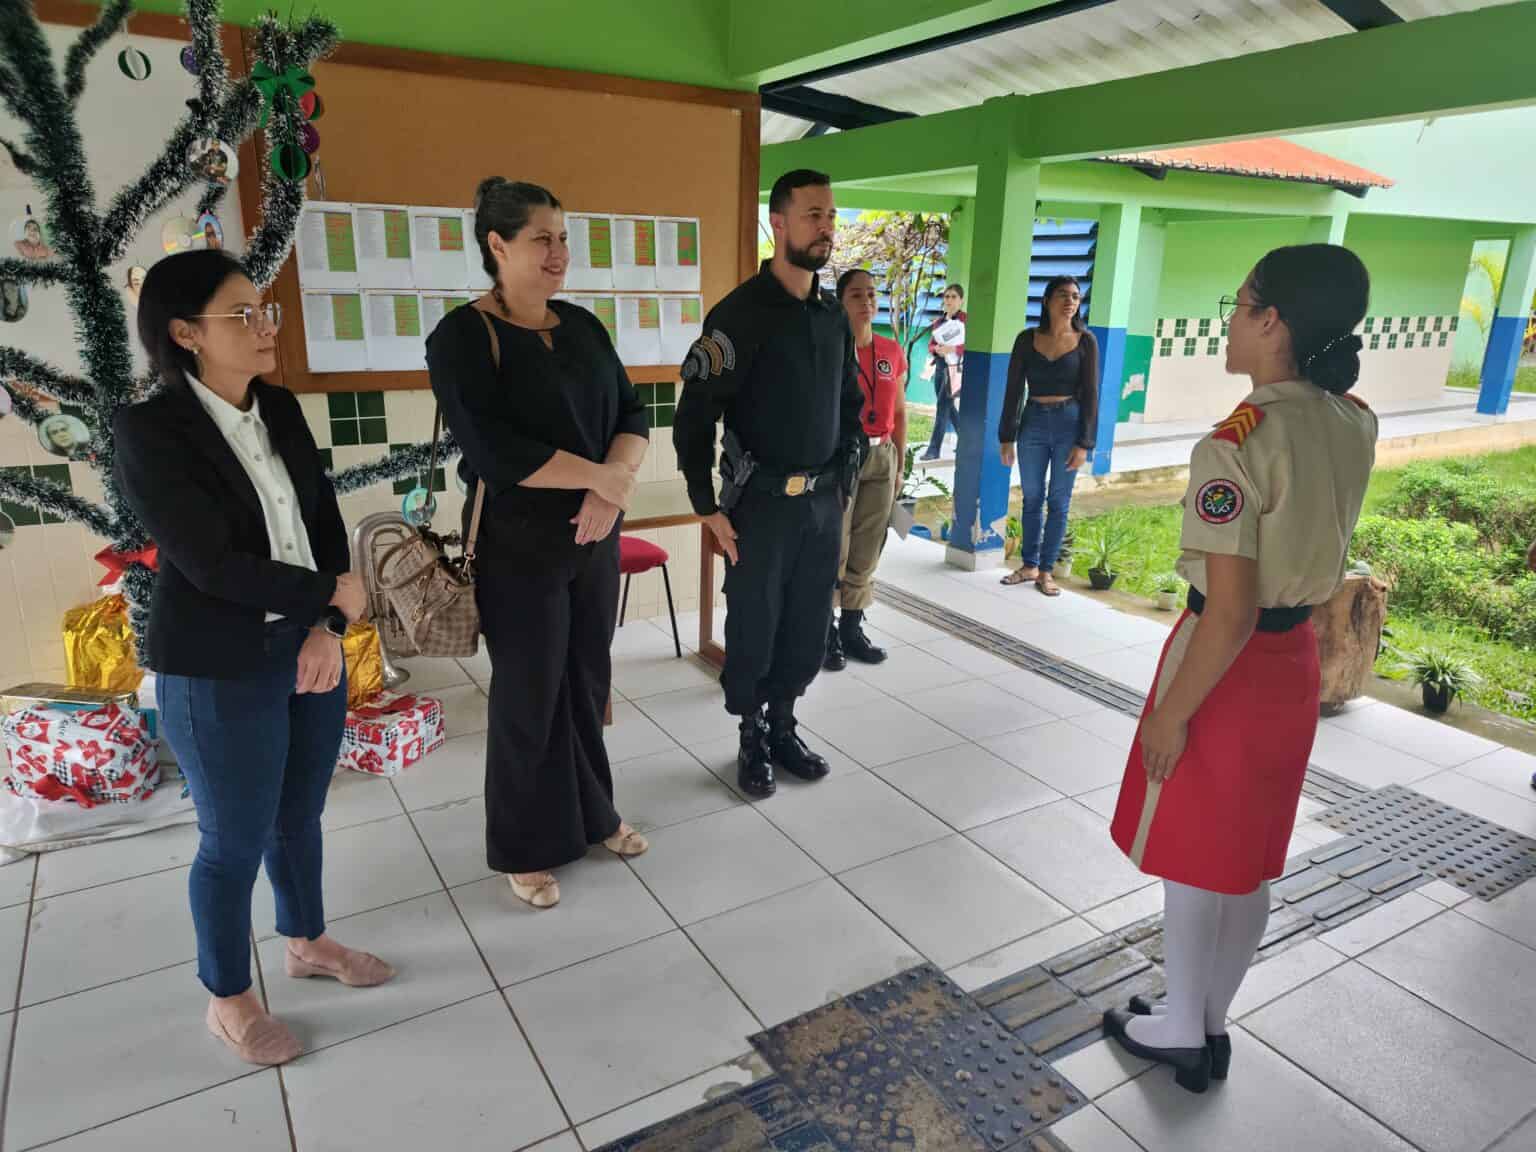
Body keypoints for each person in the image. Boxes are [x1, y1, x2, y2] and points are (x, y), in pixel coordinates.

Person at [1102, 244, 1378, 1093]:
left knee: (1193, 852)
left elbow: (1228, 613)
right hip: (1294, 664)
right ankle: (1210, 1016)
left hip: (1226, 667)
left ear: (1272, 321)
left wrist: (1172, 712)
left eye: (1240, 303)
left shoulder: (1235, 444)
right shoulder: (1353, 420)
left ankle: (1181, 1029)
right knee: (1249, 852)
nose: (1229, 320)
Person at [113, 249, 391, 1068]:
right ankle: (228, 996)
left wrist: (327, 626)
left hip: (306, 644)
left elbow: (323, 526)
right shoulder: (151, 430)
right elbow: (209, 564)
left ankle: (306, 941)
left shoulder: (281, 408)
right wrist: (327, 596)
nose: (267, 325)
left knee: (298, 816)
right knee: (233, 838)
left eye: (264, 309)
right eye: (243, 314)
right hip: (217, 663)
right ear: (185, 333)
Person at [427, 178, 649, 910]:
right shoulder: (462, 336)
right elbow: (493, 449)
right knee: (530, 695)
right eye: (541, 239)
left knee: (586, 682)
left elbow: (633, 413)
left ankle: (596, 815)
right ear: (497, 244)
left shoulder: (581, 325)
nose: (558, 253)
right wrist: (601, 479)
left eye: (563, 238)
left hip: (595, 535)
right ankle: (525, 846)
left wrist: (608, 489)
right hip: (518, 546)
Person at [673, 168, 866, 799]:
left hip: (821, 505)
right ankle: (751, 735)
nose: (826, 227)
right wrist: (706, 506)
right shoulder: (739, 315)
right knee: (755, 627)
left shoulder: (832, 316)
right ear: (778, 223)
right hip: (759, 506)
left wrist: (845, 474)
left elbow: (848, 402)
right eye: (813, 215)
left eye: (831, 216)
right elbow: (694, 417)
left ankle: (784, 724)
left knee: (808, 625)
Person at [825, 268, 906, 671]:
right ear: (840, 302)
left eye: (872, 293)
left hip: (882, 455)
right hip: (842, 456)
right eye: (856, 294)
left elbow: (900, 412)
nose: (867, 301)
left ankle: (851, 628)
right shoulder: (831, 349)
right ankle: (824, 631)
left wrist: (900, 463)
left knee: (868, 546)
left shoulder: (891, 350)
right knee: (834, 545)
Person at [998, 276, 1099, 597]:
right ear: (1046, 301)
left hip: (1070, 423)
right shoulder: (1026, 340)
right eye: (1062, 295)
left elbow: (1092, 394)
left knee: (1058, 500)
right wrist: (1006, 436)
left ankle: (1046, 571)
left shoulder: (1086, 341)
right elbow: (1013, 390)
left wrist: (1085, 443)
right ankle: (1028, 565)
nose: (1070, 302)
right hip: (1033, 422)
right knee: (1031, 497)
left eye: (1075, 297)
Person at [921, 284, 966, 460]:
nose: (949, 300)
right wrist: (936, 349)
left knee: (942, 405)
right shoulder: (938, 323)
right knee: (948, 406)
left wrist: (953, 348)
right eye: (947, 296)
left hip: (955, 367)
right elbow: (931, 344)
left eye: (954, 297)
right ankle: (966, 441)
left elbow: (970, 344)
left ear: (961, 300)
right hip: (940, 366)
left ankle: (934, 449)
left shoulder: (966, 320)